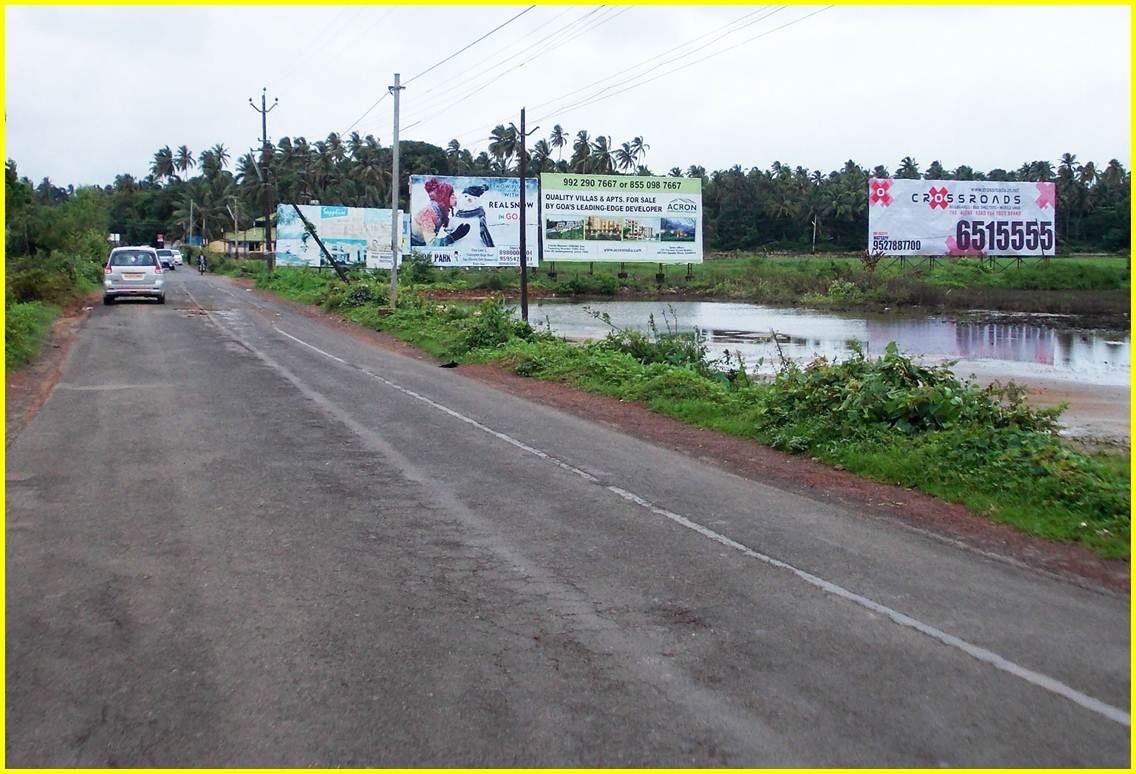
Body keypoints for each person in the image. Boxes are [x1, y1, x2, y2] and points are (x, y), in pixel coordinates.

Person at [411, 178, 470, 247]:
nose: (455, 198)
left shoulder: (440, 211)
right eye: (452, 195)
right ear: (444, 197)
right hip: (414, 247)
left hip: (421, 246)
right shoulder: (428, 213)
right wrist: (453, 237)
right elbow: (432, 244)